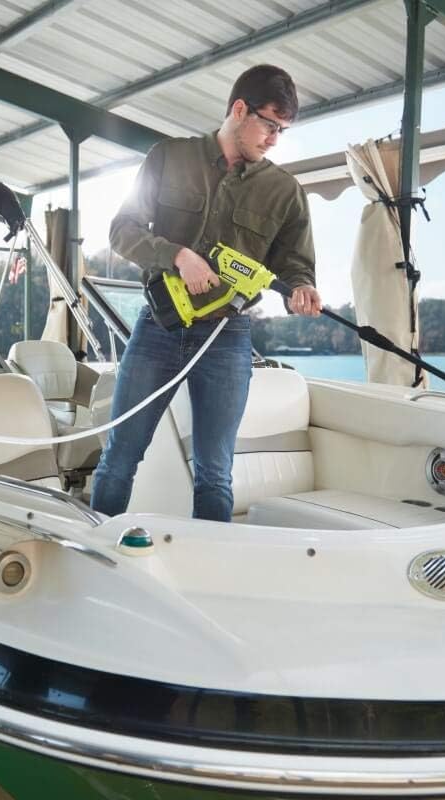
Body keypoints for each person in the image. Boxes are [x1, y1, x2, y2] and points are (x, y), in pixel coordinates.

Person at [90, 64, 321, 522]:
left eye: (283, 130)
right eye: (270, 125)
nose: (274, 139)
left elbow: (295, 264)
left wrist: (302, 287)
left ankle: (210, 559)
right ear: (240, 109)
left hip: (227, 338)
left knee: (215, 473)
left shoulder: (285, 192)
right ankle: (93, 548)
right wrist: (177, 255)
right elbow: (122, 230)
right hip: (158, 327)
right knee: (120, 456)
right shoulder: (168, 157)